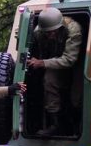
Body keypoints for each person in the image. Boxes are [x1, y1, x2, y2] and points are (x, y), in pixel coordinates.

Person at [26, 7, 83, 136]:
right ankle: (55, 125)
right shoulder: (38, 32)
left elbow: (70, 60)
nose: (50, 35)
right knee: (49, 81)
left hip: (75, 64)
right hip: (54, 62)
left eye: (53, 32)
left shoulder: (73, 29)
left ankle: (76, 128)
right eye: (47, 33)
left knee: (76, 97)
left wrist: (42, 63)